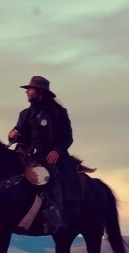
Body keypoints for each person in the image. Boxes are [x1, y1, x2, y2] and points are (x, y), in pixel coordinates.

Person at [8, 76, 82, 231]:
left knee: (52, 177)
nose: (27, 92)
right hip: (26, 156)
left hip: (48, 156)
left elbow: (67, 137)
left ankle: (55, 212)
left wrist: (57, 150)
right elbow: (18, 132)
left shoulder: (58, 112)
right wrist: (13, 134)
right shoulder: (25, 114)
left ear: (40, 91)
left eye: (30, 89)